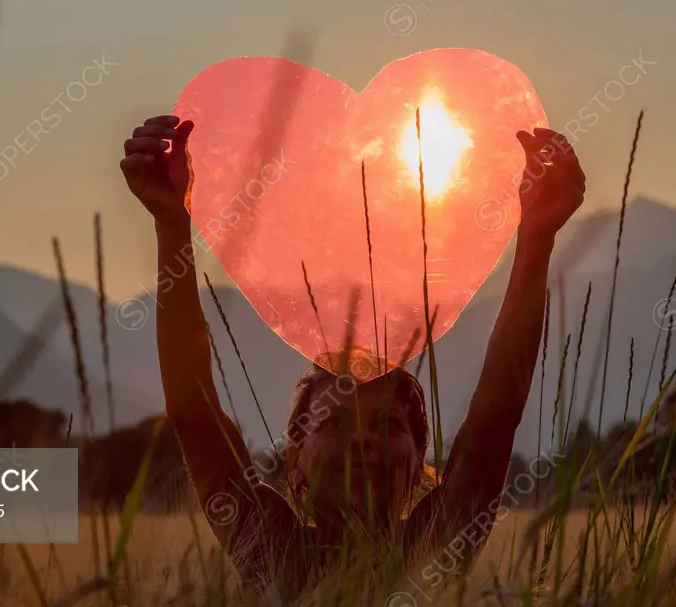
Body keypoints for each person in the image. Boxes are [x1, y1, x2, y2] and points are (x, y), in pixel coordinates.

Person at [120, 113, 585, 602]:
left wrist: (536, 239)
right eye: (337, 424)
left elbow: (494, 422)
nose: (364, 443)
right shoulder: (276, 551)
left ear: (421, 464)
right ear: (294, 462)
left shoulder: (433, 546)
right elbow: (194, 416)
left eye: (387, 426)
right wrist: (172, 225)